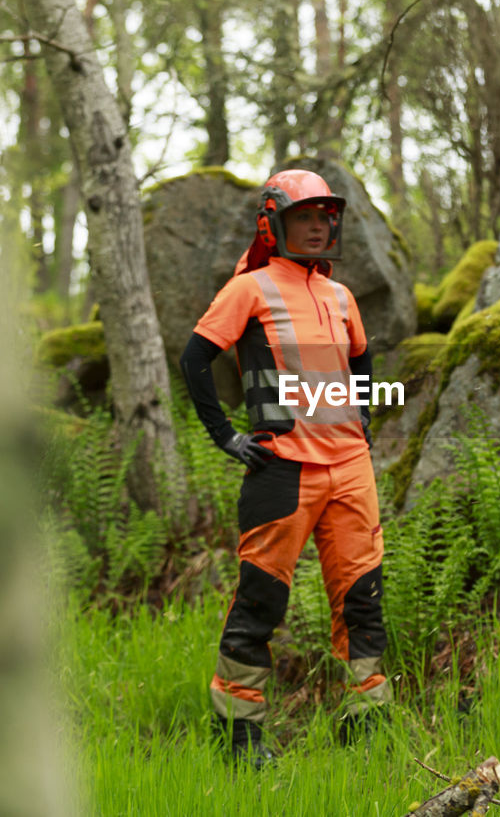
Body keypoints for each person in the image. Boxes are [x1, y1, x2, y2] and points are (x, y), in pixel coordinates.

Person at [179, 169, 390, 766]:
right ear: (272, 223)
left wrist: (363, 417)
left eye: (326, 217)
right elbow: (195, 357)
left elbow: (363, 359)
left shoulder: (340, 295)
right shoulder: (250, 289)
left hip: (352, 470)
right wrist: (226, 436)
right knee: (260, 601)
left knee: (362, 599)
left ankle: (367, 721)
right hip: (282, 472)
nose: (320, 227)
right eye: (306, 216)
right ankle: (239, 730)